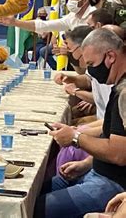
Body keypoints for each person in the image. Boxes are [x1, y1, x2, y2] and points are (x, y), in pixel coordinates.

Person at [35, 28, 126, 218]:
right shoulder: (118, 87)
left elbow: (119, 154)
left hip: (111, 183)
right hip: (95, 172)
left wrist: (75, 137)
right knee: (31, 194)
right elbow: (111, 137)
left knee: (34, 210)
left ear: (110, 56)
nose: (91, 70)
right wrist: (86, 163)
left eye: (92, 64)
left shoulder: (124, 93)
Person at [0, 0, 96, 69]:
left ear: (85, 1)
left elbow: (97, 46)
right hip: (78, 63)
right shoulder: (71, 17)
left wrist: (70, 51)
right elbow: (44, 25)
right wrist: (15, 22)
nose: (69, 2)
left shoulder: (94, 17)